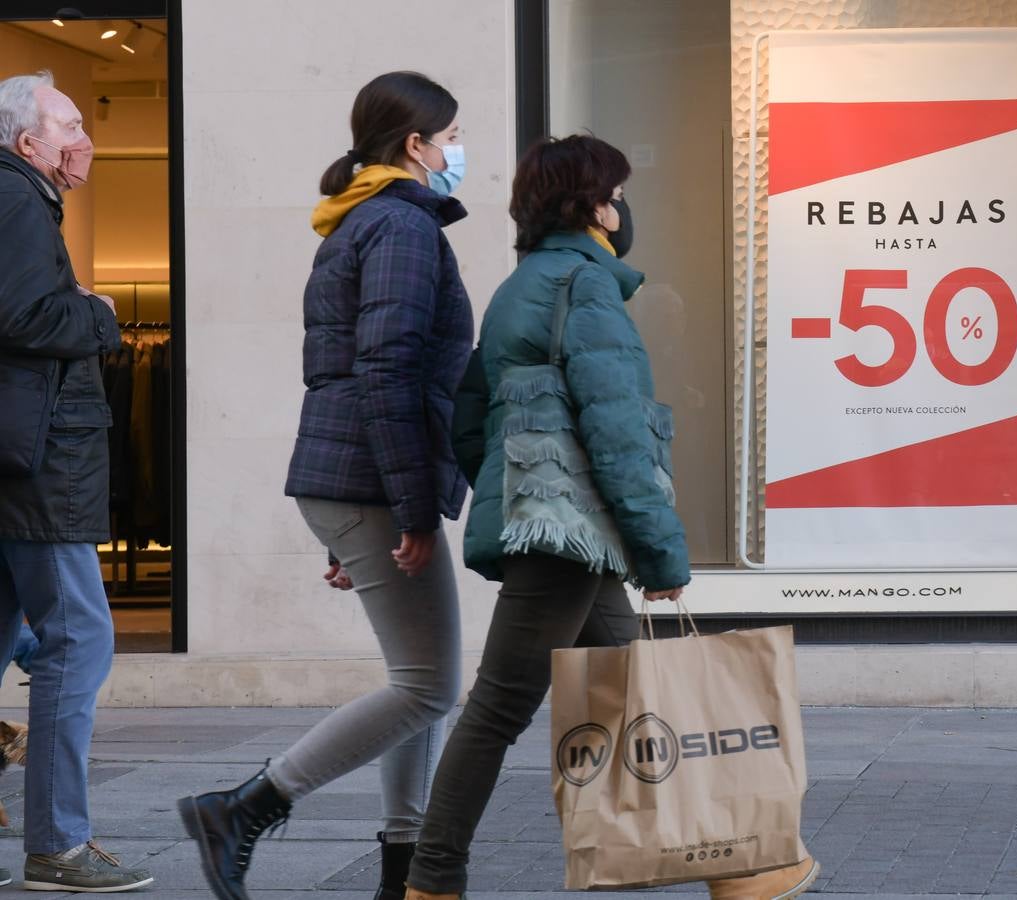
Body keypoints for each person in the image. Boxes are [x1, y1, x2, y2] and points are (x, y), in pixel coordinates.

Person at [403, 135, 815, 900]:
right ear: (591, 205)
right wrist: (661, 554)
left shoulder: (522, 285)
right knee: (498, 708)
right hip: (567, 537)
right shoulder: (583, 288)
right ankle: (431, 881)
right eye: (616, 195)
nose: (623, 209)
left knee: (646, 691)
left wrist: (517, 492)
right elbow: (618, 430)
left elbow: (468, 419)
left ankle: (742, 865)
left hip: (562, 531)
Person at [177, 71, 472, 900]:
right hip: (374, 484)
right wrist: (411, 510)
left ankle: (405, 872)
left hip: (358, 482)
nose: (457, 153)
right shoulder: (401, 228)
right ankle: (245, 807)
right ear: (415, 145)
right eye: (449, 139)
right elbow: (387, 370)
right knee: (429, 685)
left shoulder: (359, 222)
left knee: (422, 682)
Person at [0, 71, 155, 893]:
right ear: (28, 143)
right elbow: (24, 317)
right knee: (79, 641)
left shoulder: (17, 196)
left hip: (18, 461)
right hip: (40, 469)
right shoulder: (19, 200)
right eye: (66, 124)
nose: (79, 138)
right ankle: (57, 846)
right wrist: (99, 314)